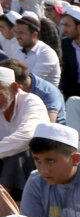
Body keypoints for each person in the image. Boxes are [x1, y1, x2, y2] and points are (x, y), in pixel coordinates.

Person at [0, 63, 46, 197]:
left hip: (31, 165)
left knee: (19, 153)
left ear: (14, 89)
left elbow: (27, 136)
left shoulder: (32, 102)